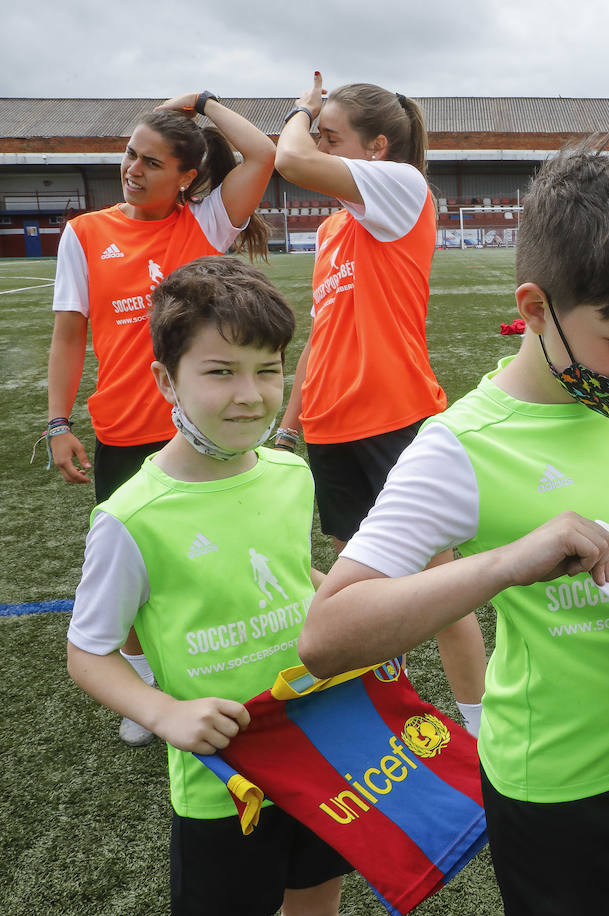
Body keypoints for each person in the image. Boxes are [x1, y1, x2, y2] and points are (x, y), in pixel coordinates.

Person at [298, 146, 609, 916]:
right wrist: (505, 563)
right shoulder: (459, 447)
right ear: (535, 309)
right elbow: (327, 633)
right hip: (554, 788)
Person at [65, 256, 352, 916]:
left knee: (317, 899)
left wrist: (345, 614)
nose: (249, 394)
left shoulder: (288, 475)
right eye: (221, 371)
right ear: (167, 379)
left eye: (268, 369)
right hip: (223, 784)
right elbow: (88, 652)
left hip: (319, 751)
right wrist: (166, 715)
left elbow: (290, 574)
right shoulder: (132, 517)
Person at [45, 90, 275, 746]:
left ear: (188, 178)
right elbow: (68, 335)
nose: (132, 168)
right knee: (128, 572)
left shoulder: (206, 225)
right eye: (129, 154)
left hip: (201, 434)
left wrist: (202, 100)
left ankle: (236, 664)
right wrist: (58, 423)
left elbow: (262, 151)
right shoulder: (84, 234)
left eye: (151, 161)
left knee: (222, 557)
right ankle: (144, 687)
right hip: (123, 429)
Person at [273, 72, 486, 733]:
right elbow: (323, 330)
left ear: (378, 148)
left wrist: (300, 111)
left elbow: (287, 158)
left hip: (395, 420)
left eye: (332, 136)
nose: (318, 143)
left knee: (442, 594)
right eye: (318, 131)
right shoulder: (335, 229)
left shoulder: (402, 187)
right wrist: (289, 425)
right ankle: (386, 718)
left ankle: (484, 731)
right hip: (331, 429)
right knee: (361, 600)